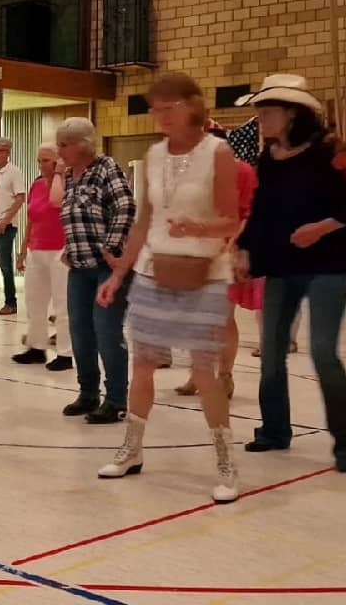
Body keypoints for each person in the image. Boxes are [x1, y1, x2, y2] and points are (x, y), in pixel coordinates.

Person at [96, 74, 242, 502]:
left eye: (169, 107)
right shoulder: (153, 154)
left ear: (193, 105)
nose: (161, 116)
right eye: (155, 108)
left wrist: (198, 226)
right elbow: (143, 222)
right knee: (142, 365)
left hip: (205, 272)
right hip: (152, 270)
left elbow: (233, 219)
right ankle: (132, 449)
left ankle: (225, 461)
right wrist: (119, 274)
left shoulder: (219, 151)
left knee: (202, 370)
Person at [234, 74, 346, 473]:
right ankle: (275, 429)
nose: (260, 118)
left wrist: (321, 228)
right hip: (282, 265)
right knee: (271, 354)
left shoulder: (331, 151)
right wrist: (246, 249)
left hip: (327, 265)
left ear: (293, 113)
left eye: (267, 110)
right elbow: (262, 211)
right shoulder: (269, 156)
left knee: (323, 352)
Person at [55, 117, 136, 422]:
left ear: (83, 145)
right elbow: (76, 215)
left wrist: (111, 248)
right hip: (79, 267)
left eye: (65, 145)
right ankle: (87, 393)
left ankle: (116, 400)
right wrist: (70, 247)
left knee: (106, 331)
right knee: (80, 332)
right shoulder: (72, 175)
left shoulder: (106, 168)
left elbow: (125, 207)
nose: (60, 151)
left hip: (106, 268)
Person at [175, 157, 257, 399]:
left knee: (223, 318)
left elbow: (249, 213)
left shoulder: (241, 171)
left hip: (224, 251)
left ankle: (225, 376)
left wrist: (234, 244)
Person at [12, 143, 73, 371]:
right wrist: (23, 250)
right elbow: (32, 219)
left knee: (62, 304)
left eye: (47, 160)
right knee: (34, 302)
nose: (41, 165)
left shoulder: (69, 184)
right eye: (39, 160)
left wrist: (59, 173)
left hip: (60, 250)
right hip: (37, 250)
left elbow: (60, 205)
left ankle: (65, 353)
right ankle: (36, 347)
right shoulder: (36, 185)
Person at [0, 136, 26, 315]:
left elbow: (20, 198)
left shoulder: (14, 172)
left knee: (4, 264)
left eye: (3, 150)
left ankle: (11, 302)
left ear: (8, 153)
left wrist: (5, 220)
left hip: (6, 225)